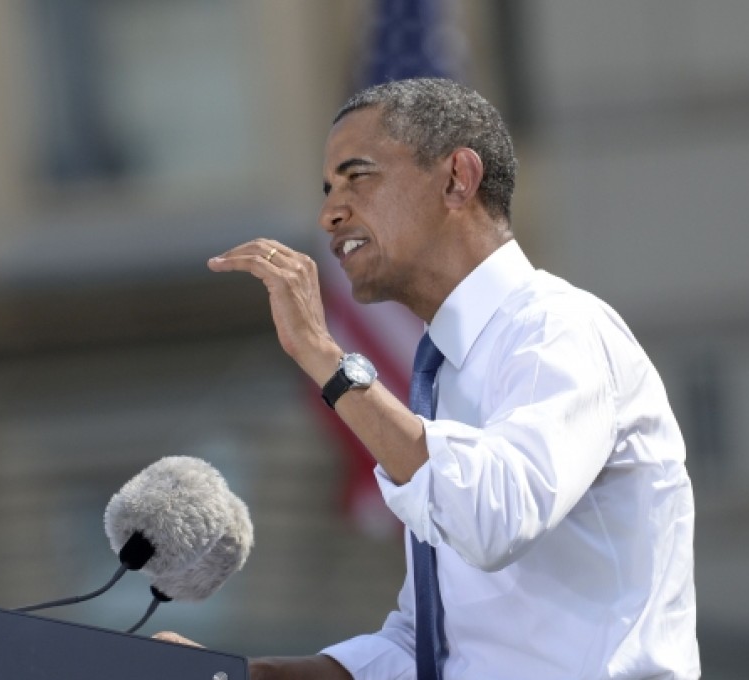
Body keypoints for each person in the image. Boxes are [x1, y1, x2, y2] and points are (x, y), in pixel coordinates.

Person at [156, 78, 700, 679]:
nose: (330, 213)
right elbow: (425, 650)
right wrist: (243, 676)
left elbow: (493, 515)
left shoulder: (559, 330)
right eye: (328, 189)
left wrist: (325, 358)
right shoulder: (440, 375)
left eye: (357, 177)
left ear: (457, 179)